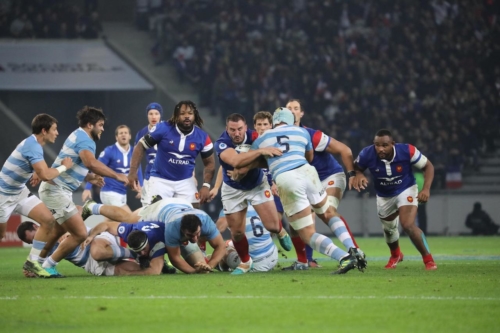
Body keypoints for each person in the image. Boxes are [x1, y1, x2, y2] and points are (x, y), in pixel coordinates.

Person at [251, 107, 365, 274]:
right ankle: (353, 249)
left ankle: (344, 257)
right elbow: (310, 157)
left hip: (288, 179)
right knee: (328, 213)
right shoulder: (302, 132)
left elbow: (252, 161)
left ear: (274, 122)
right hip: (309, 173)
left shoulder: (263, 138)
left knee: (306, 233)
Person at [38, 106, 129, 277]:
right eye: (100, 125)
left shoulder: (77, 134)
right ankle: (47, 266)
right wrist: (117, 175)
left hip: (57, 189)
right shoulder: (86, 140)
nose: (102, 129)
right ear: (90, 125)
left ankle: (37, 262)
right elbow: (91, 163)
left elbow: (76, 163)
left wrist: (89, 178)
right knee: (79, 233)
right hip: (56, 190)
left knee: (58, 231)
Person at [284, 99, 365, 270]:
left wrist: (352, 173)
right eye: (289, 108)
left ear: (301, 113)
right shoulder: (279, 138)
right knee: (296, 223)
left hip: (329, 177)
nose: (292, 111)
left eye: (296, 108)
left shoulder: (313, 135)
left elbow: (345, 150)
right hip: (304, 182)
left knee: (326, 211)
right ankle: (305, 261)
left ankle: (355, 250)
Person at [214, 113, 292, 275]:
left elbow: (269, 160)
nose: (236, 133)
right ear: (226, 129)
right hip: (232, 190)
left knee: (271, 225)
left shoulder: (256, 136)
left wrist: (245, 168)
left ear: (246, 127)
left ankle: (281, 230)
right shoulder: (222, 143)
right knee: (236, 232)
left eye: (240, 129)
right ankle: (245, 262)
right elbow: (235, 161)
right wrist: (259, 151)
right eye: (232, 130)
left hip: (257, 185)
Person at [352, 129, 437, 270]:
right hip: (384, 195)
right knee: (389, 230)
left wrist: (426, 189)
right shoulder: (367, 153)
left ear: (393, 144)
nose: (380, 149)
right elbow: (356, 167)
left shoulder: (407, 151)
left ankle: (428, 259)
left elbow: (428, 166)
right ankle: (396, 254)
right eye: (377, 145)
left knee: (407, 225)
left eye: (384, 145)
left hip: (406, 189)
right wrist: (359, 174)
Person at [0, 114, 73, 278]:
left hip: (19, 192)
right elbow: (46, 175)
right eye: (54, 129)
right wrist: (64, 167)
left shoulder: (34, 145)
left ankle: (32, 263)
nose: (57, 133)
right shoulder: (33, 146)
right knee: (1, 235)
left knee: (48, 219)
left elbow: (38, 169)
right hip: (3, 196)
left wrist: (35, 171)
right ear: (44, 130)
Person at [81, 197, 226, 274]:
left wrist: (209, 266)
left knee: (201, 267)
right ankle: (93, 206)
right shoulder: (172, 227)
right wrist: (194, 272)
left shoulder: (205, 220)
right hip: (160, 210)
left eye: (197, 234)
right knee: (128, 219)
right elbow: (175, 258)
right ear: (182, 230)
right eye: (190, 236)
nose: (195, 239)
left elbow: (220, 246)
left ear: (201, 227)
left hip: (182, 204)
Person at [128, 100, 215, 207]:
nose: (187, 116)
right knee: (154, 214)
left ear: (195, 115)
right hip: (160, 179)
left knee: (193, 214)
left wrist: (206, 185)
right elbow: (140, 146)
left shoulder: (203, 137)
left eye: (190, 113)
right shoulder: (163, 128)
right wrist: (132, 171)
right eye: (182, 114)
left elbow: (209, 163)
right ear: (176, 115)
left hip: (185, 181)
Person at [17, 221, 165, 277]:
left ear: (37, 226)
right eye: (32, 242)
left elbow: (77, 209)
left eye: (35, 237)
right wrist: (32, 272)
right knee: (128, 271)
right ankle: (156, 265)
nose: (36, 242)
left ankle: (134, 253)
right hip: (89, 264)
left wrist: (68, 229)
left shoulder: (53, 223)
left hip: (95, 241)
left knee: (97, 253)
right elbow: (34, 265)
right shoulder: (42, 249)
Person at [82, 125, 143, 212]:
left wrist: (141, 188)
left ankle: (91, 208)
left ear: (130, 136)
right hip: (109, 192)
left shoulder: (134, 152)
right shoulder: (109, 151)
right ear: (116, 137)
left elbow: (138, 170)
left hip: (122, 193)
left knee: (112, 223)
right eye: (120, 133)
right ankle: (94, 208)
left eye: (125, 133)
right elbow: (96, 167)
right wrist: (87, 188)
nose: (123, 135)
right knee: (129, 219)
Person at [215, 204, 279, 272]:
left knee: (224, 248)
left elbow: (219, 229)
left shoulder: (231, 206)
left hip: (255, 264)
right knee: (234, 243)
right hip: (273, 256)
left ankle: (221, 266)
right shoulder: (261, 203)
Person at [134, 102, 163, 206]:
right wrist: (139, 182)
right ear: (147, 116)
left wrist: (192, 174)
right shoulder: (141, 133)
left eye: (156, 113)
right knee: (146, 208)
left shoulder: (169, 130)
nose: (153, 116)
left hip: (167, 176)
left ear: (160, 115)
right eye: (150, 114)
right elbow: (136, 159)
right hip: (149, 176)